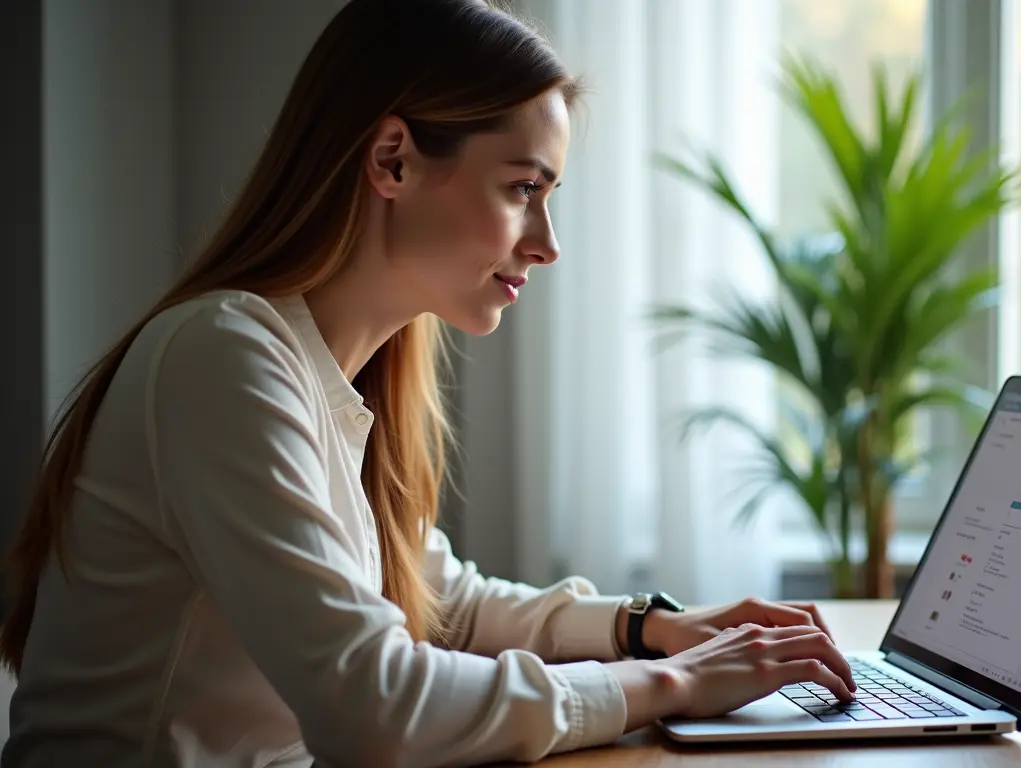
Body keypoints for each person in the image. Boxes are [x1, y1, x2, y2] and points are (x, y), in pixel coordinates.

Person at [0, 1, 855, 765]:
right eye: (524, 188)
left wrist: (649, 629)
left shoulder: (334, 369)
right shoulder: (222, 358)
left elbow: (441, 600)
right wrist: (670, 686)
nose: (548, 242)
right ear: (393, 159)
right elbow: (373, 707)